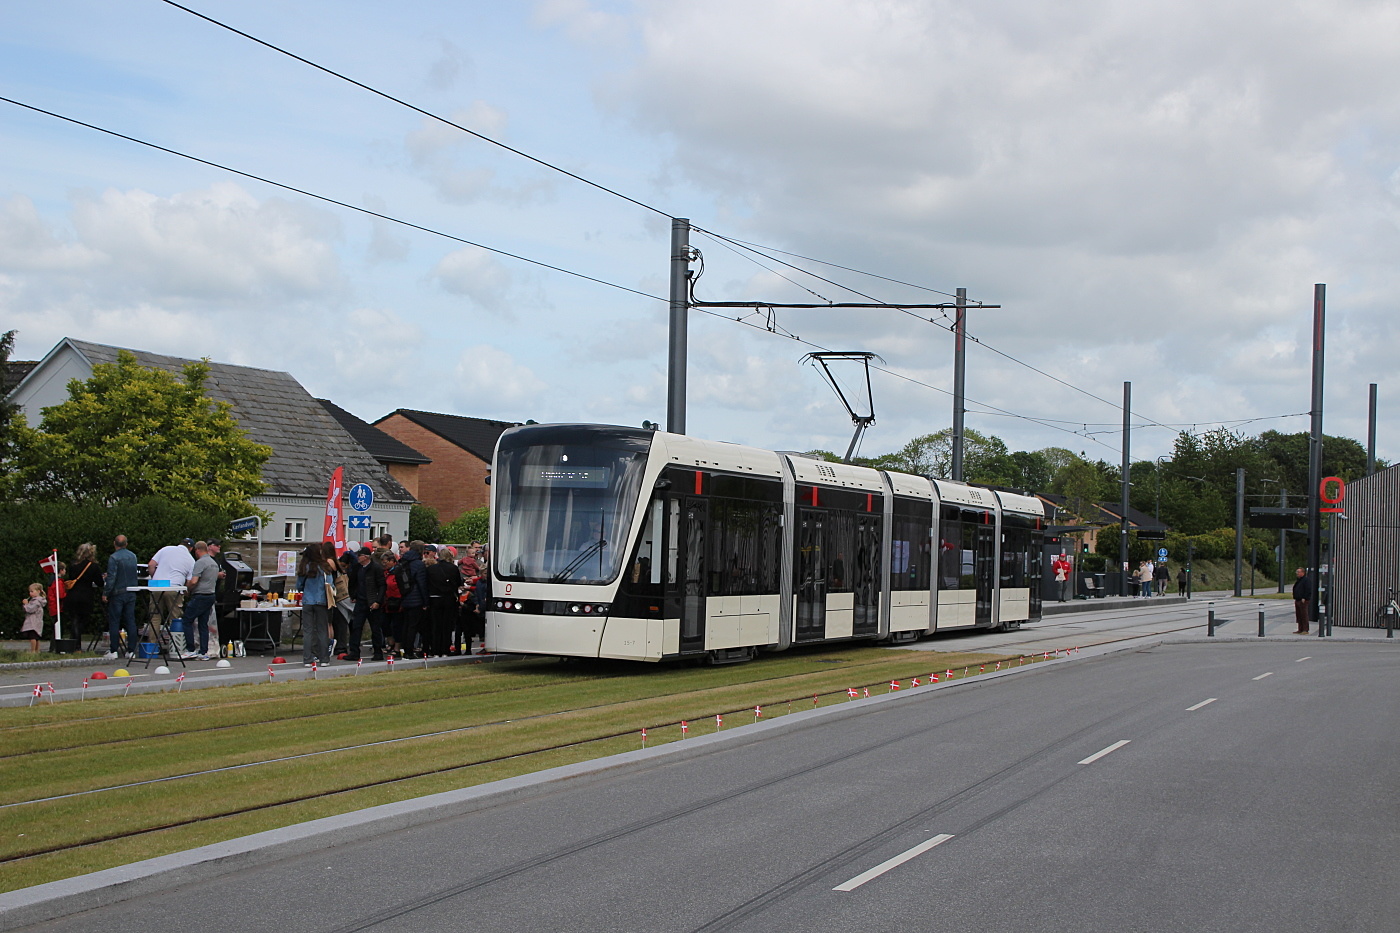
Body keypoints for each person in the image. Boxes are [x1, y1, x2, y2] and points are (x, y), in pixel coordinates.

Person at [174, 542, 221, 659]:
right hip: (211, 595)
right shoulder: (214, 563)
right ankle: (203, 652)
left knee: (187, 620)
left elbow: (194, 581)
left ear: (197, 550)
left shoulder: (200, 563)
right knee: (203, 624)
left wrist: (187, 588)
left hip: (200, 595)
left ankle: (190, 649)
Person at [147, 538, 196, 653]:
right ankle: (175, 648)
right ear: (191, 548)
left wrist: (155, 577)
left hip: (157, 586)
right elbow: (190, 581)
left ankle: (152, 647)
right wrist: (187, 590)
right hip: (174, 588)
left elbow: (151, 565)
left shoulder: (166, 549)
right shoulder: (190, 560)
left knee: (155, 616)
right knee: (175, 619)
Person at [296, 544, 334, 666]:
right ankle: (324, 659)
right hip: (321, 601)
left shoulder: (304, 567)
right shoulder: (324, 566)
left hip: (307, 601)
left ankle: (308, 659)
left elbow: (299, 586)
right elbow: (330, 583)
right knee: (322, 630)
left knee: (308, 631)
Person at [102, 535, 140, 659]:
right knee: (130, 620)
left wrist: (106, 592)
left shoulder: (113, 557)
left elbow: (112, 578)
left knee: (114, 621)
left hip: (118, 592)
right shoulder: (133, 556)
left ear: (115, 544)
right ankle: (131, 650)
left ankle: (114, 650)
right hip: (131, 591)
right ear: (126, 544)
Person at [347, 547, 386, 662]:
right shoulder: (357, 568)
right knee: (356, 627)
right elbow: (352, 582)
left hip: (372, 602)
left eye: (360, 555)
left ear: (366, 557)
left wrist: (378, 601)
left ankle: (378, 651)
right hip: (360, 601)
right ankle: (354, 652)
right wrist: (353, 595)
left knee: (375, 628)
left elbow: (382, 585)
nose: (358, 558)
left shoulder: (376, 568)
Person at [426, 544, 464, 656]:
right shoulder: (453, 568)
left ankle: (435, 650)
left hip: (434, 599)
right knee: (446, 626)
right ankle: (445, 650)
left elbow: (427, 584)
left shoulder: (431, 569)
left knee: (435, 625)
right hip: (448, 599)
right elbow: (458, 583)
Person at [394, 541, 430, 658]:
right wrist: (425, 602)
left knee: (407, 625)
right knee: (414, 626)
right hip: (416, 598)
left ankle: (405, 649)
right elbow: (422, 583)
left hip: (405, 596)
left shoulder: (403, 561)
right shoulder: (418, 564)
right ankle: (410, 651)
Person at [65, 544, 104, 645]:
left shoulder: (73, 565)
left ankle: (74, 643)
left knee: (74, 619)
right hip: (86, 596)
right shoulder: (93, 566)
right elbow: (100, 583)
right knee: (82, 620)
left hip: (72, 594)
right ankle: (77, 644)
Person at [21, 583, 46, 653]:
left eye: (32, 591)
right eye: (30, 592)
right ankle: (36, 651)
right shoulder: (36, 601)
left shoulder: (36, 602)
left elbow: (30, 609)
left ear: (38, 591)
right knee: (36, 637)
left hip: (33, 622)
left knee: (33, 637)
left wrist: (26, 604)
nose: (30, 593)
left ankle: (33, 651)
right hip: (36, 621)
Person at [1293, 567, 1312, 634]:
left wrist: (1304, 597)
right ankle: (1300, 629)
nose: (1297, 573)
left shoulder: (1306, 580)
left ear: (1302, 573)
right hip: (1297, 599)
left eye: (1298, 572)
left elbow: (1308, 590)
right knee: (1299, 615)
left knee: (1304, 615)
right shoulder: (1299, 580)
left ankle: (1305, 629)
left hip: (1303, 600)